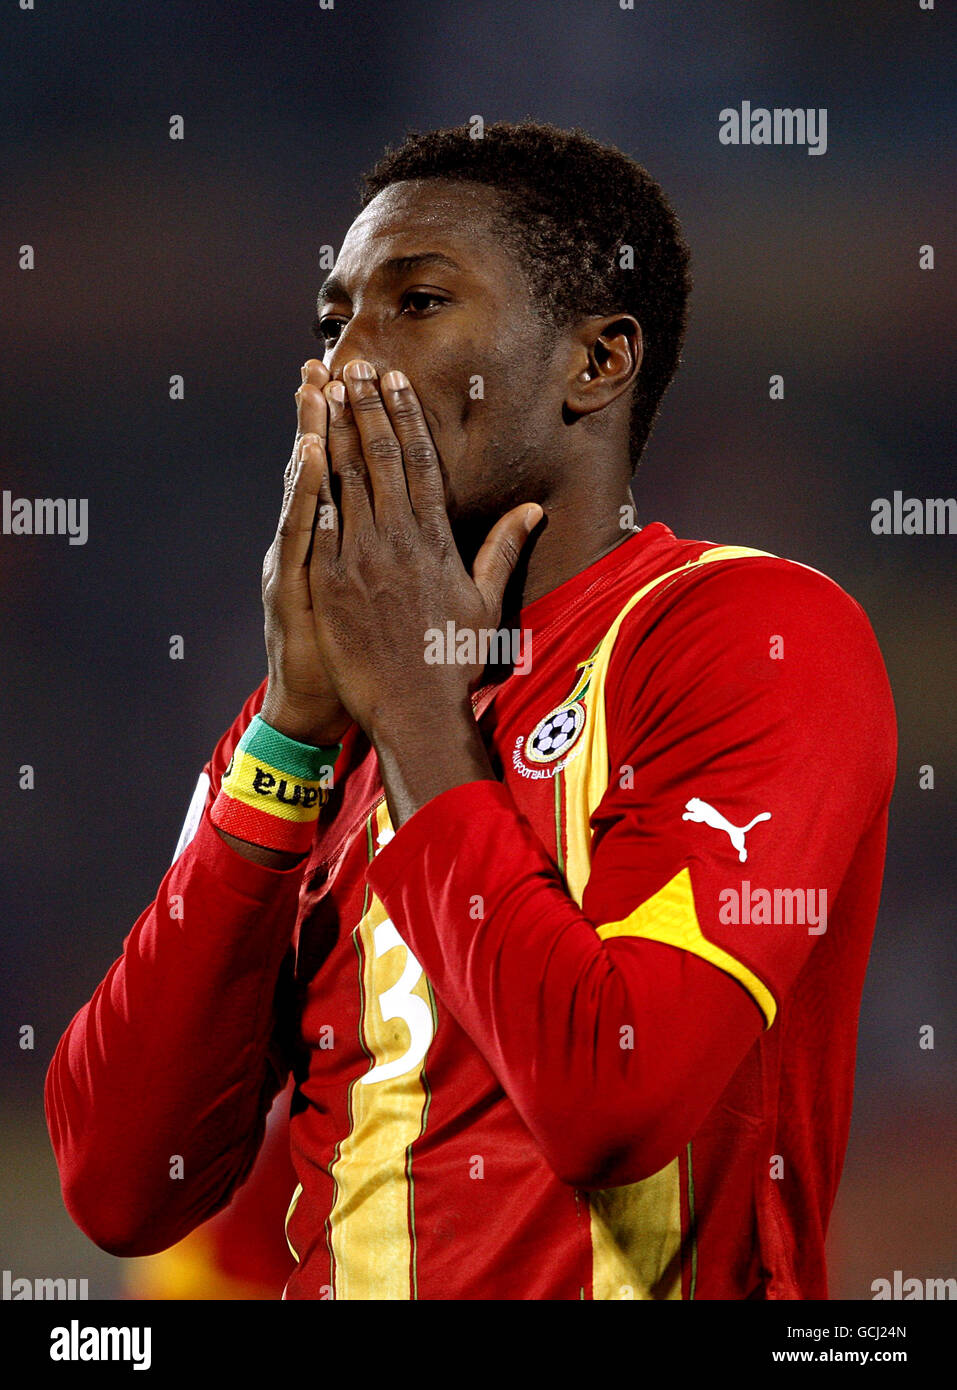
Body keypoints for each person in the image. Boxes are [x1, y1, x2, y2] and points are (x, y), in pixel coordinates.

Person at [45, 119, 897, 1300]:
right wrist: (290, 732)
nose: (346, 365)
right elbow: (121, 1185)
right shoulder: (305, 726)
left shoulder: (747, 633)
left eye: (419, 303)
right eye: (333, 322)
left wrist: (416, 715)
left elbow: (616, 1100)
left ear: (596, 362)